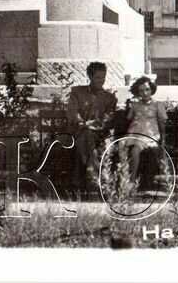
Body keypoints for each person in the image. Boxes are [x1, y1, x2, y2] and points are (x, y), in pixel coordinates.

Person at [66, 61, 117, 192]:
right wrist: (83, 123)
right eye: (98, 77)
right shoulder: (77, 92)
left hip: (99, 134)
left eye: (103, 77)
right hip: (79, 132)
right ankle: (94, 178)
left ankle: (79, 180)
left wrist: (100, 125)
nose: (101, 81)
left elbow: (109, 118)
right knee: (87, 136)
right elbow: (73, 112)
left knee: (88, 138)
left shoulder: (109, 98)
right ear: (90, 76)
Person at [122, 76, 169, 190]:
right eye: (141, 90)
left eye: (147, 89)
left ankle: (131, 181)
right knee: (120, 145)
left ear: (151, 89)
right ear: (138, 92)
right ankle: (121, 177)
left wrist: (163, 139)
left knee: (136, 148)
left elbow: (162, 123)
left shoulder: (158, 104)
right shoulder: (135, 104)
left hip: (149, 134)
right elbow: (128, 119)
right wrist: (130, 106)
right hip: (134, 132)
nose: (145, 93)